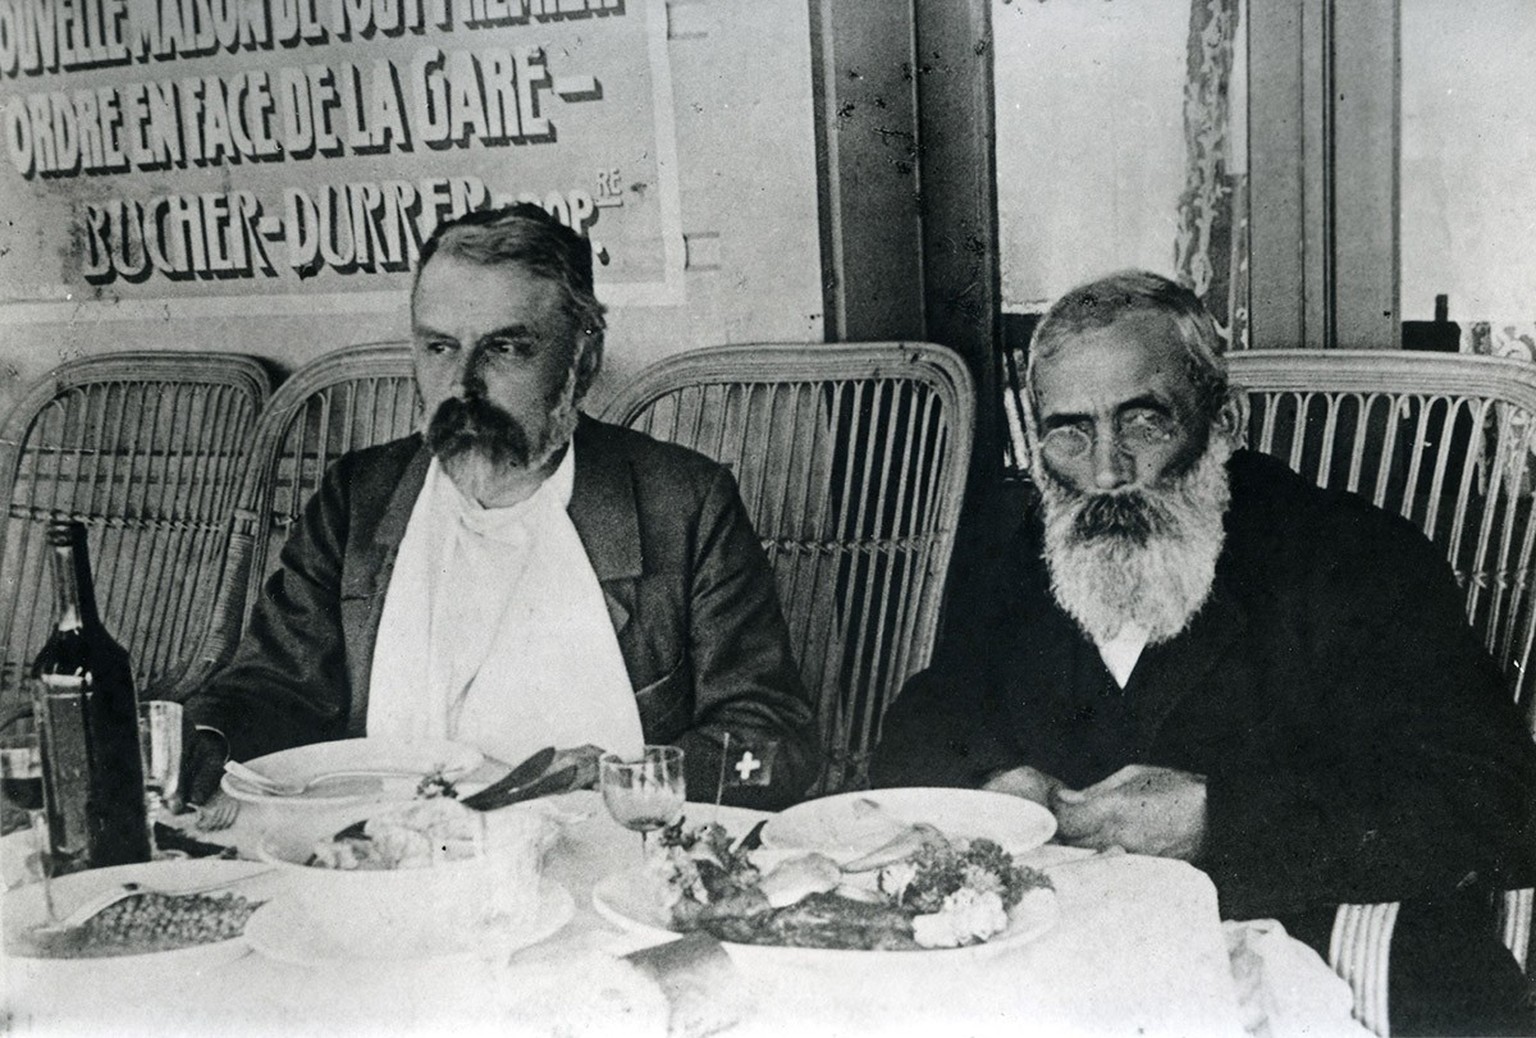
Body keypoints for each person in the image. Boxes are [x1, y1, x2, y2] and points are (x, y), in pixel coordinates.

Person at [872, 270, 1536, 1034]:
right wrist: (993, 781)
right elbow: (922, 723)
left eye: (1143, 423)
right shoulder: (1033, 556)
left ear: (1222, 424)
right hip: (1064, 974)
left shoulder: (1351, 559)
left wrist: (1221, 818)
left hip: (1292, 967)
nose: (1106, 471)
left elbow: (1490, 800)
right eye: (1070, 431)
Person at [183, 203, 817, 810]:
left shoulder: (683, 505)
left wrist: (628, 779)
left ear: (583, 357)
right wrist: (207, 742)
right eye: (440, 347)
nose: (463, 386)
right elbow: (270, 688)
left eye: (504, 349)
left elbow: (773, 741)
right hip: (389, 859)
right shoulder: (361, 496)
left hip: (608, 867)